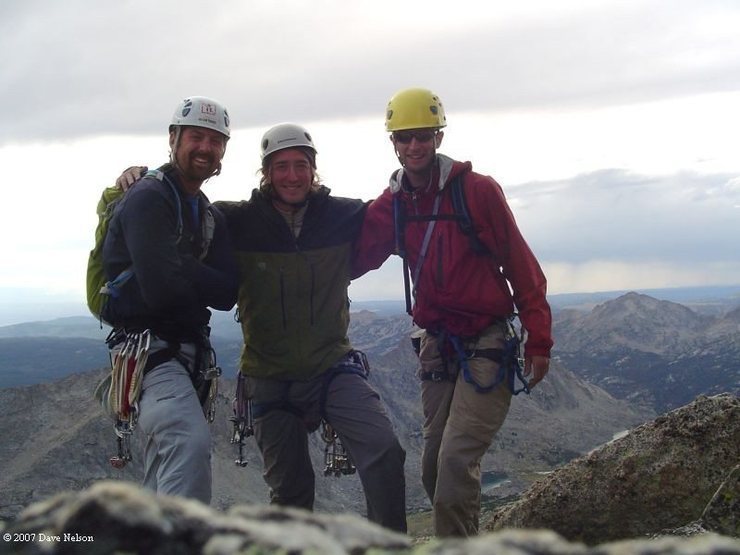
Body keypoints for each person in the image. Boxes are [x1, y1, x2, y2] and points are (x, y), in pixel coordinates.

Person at [115, 123, 408, 532]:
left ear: (314, 169)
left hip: (332, 367)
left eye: (300, 166)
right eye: (281, 166)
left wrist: (411, 179)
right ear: (266, 172)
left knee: (384, 451)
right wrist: (136, 181)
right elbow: (179, 206)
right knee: (291, 495)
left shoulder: (343, 215)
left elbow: (395, 214)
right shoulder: (234, 219)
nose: (292, 175)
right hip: (269, 378)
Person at [353, 87, 553, 537]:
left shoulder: (477, 192)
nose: (413, 146)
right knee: (432, 469)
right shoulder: (395, 204)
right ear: (393, 143)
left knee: (455, 463)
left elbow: (520, 264)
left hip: (486, 342)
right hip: (438, 346)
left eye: (422, 135)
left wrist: (539, 337)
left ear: (438, 137)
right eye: (404, 138)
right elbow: (357, 255)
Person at [101, 96, 238, 503]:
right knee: (188, 443)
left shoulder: (206, 213)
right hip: (151, 354)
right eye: (196, 137)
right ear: (174, 139)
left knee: (167, 464)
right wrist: (196, 276)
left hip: (182, 356)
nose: (205, 148)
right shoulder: (148, 197)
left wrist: (176, 262)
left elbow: (228, 295)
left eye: (215, 141)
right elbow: (161, 292)